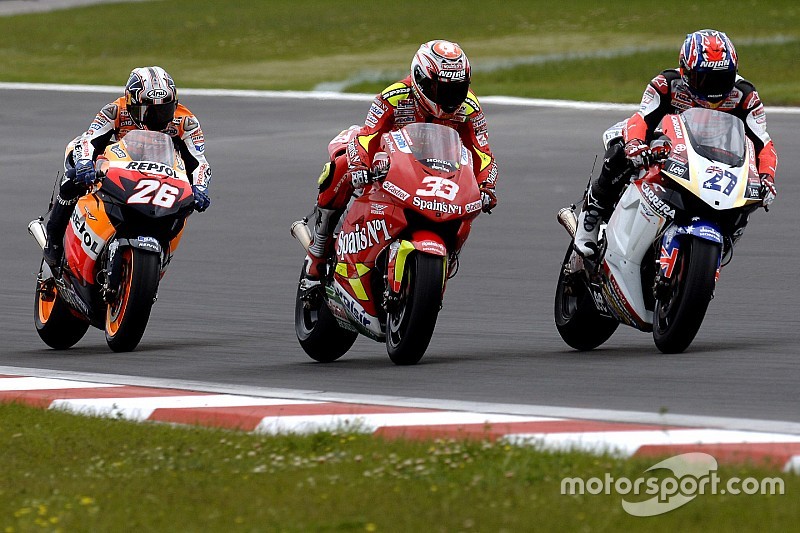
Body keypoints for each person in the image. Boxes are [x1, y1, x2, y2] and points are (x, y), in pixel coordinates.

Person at [302, 39, 499, 279]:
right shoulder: (394, 96)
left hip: (440, 174)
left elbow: (482, 152)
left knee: (467, 208)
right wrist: (359, 166)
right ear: (421, 79)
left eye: (458, 89)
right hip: (389, 165)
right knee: (340, 163)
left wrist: (486, 186)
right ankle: (318, 248)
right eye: (442, 89)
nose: (451, 98)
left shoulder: (469, 106)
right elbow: (367, 136)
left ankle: (437, 264)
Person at [573, 29, 778, 258]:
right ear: (686, 72)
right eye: (705, 79)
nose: (714, 89)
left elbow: (763, 143)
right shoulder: (666, 84)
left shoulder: (745, 96)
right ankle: (592, 214)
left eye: (722, 78)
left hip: (712, 158)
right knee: (618, 150)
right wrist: (636, 144)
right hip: (662, 147)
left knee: (745, 203)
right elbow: (641, 119)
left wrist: (767, 176)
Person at [43, 66, 213, 268]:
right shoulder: (115, 110)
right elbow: (88, 140)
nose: (156, 119)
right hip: (120, 163)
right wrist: (84, 164)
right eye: (147, 111)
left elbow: (199, 161)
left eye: (164, 110)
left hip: (163, 172)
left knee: (185, 204)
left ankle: (160, 253)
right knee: (73, 169)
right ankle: (54, 239)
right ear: (131, 103)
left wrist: (200, 186)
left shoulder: (186, 122)